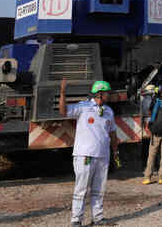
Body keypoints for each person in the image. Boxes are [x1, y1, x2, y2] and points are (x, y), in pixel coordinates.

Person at [59, 78, 119, 226]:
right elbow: (63, 111)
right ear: (99, 93)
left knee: (99, 189)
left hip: (103, 156)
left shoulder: (109, 111)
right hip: (85, 155)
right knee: (82, 189)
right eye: (107, 93)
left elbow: (112, 133)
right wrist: (62, 93)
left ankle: (98, 218)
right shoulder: (83, 107)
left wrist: (115, 151)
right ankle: (76, 220)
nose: (109, 95)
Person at [143, 84, 162, 185]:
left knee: (151, 155)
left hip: (155, 132)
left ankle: (147, 177)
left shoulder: (155, 101)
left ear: (160, 91)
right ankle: (161, 178)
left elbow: (150, 112)